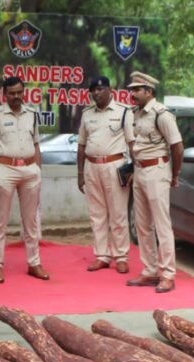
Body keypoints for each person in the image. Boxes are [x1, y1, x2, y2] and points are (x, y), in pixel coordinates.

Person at [0, 76, 49, 284]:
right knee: (0, 221)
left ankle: (34, 263)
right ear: (5, 94)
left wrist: (38, 169)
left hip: (30, 170)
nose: (16, 96)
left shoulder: (32, 114)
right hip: (5, 170)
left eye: (19, 92)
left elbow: (36, 143)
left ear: (24, 92)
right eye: (12, 93)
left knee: (31, 221)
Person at [126, 71, 184, 293]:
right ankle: (150, 270)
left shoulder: (162, 114)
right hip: (140, 171)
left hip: (157, 170)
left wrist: (175, 173)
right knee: (142, 224)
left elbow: (177, 147)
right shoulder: (137, 113)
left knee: (162, 224)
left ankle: (168, 274)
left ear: (149, 92)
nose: (132, 94)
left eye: (136, 90)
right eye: (132, 90)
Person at [77, 76, 134, 274]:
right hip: (92, 167)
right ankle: (102, 256)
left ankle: (121, 256)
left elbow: (132, 143)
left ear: (110, 90)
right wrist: (80, 173)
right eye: (93, 90)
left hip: (114, 165)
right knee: (97, 214)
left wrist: (133, 169)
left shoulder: (124, 112)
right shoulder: (87, 114)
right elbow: (82, 144)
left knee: (118, 214)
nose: (96, 93)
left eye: (100, 89)